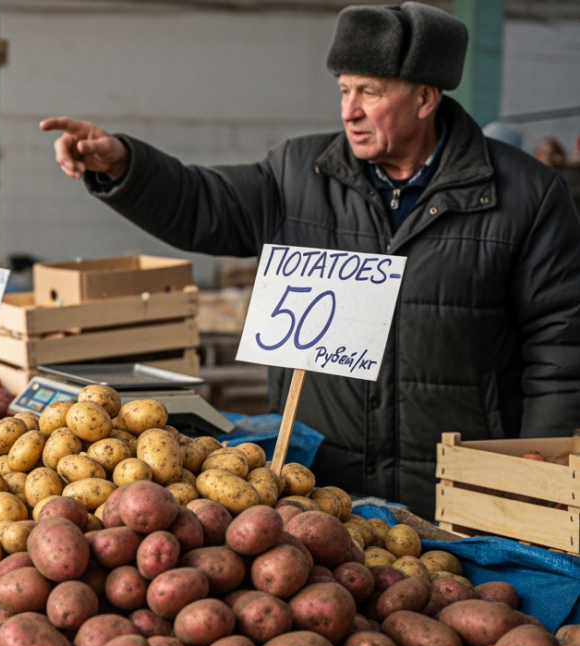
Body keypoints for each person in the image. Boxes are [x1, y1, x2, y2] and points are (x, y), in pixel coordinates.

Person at [41, 1, 580, 518]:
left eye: (369, 91)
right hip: (321, 486)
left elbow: (560, 338)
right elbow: (204, 203)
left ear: (424, 97)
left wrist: (540, 466)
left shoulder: (525, 194)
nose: (349, 110)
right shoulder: (298, 173)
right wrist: (123, 167)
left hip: (463, 486)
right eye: (344, 89)